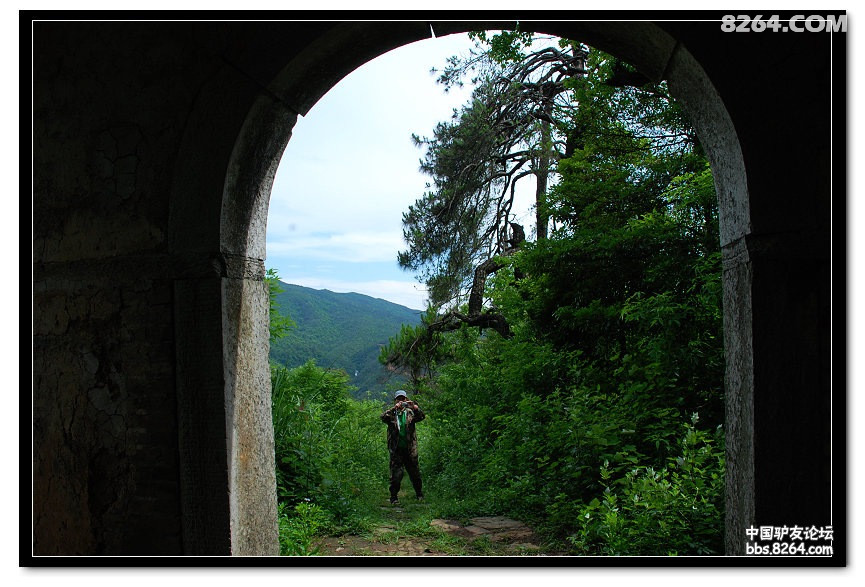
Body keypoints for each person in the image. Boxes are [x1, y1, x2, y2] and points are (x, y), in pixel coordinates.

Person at [380, 390, 425, 505]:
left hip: (410, 449)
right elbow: (383, 417)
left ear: (406, 399)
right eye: (399, 399)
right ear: (395, 400)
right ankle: (394, 497)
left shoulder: (410, 413)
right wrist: (394, 408)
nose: (401, 401)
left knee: (415, 473)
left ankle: (419, 494)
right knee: (396, 474)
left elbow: (421, 417)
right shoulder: (392, 414)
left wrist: (415, 407)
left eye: (403, 399)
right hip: (396, 449)